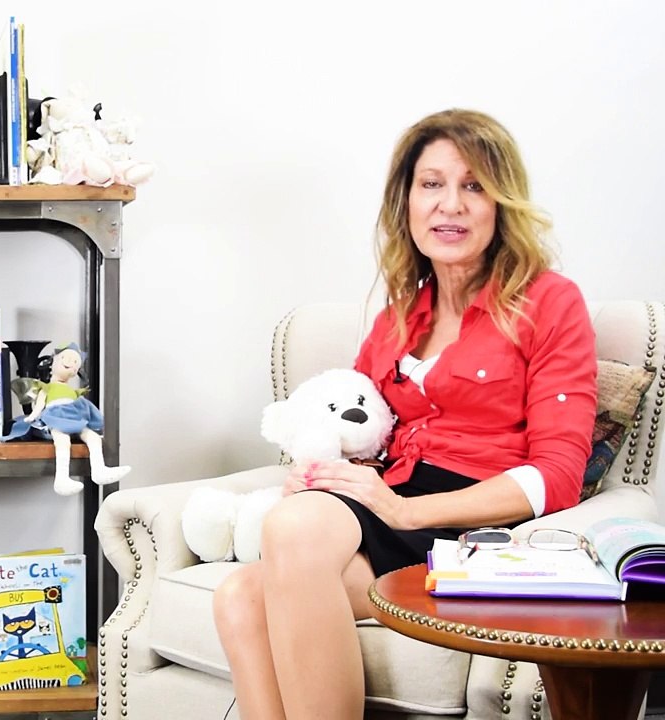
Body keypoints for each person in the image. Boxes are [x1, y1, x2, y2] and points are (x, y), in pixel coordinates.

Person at [212, 108, 597, 720]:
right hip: (390, 502)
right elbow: (359, 434)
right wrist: (315, 476)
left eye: (474, 186)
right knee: (239, 597)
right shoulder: (398, 315)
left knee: (292, 532)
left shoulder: (550, 302)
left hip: (470, 519)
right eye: (432, 184)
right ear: (408, 201)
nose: (451, 205)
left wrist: (405, 510)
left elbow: (558, 476)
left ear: (501, 203)